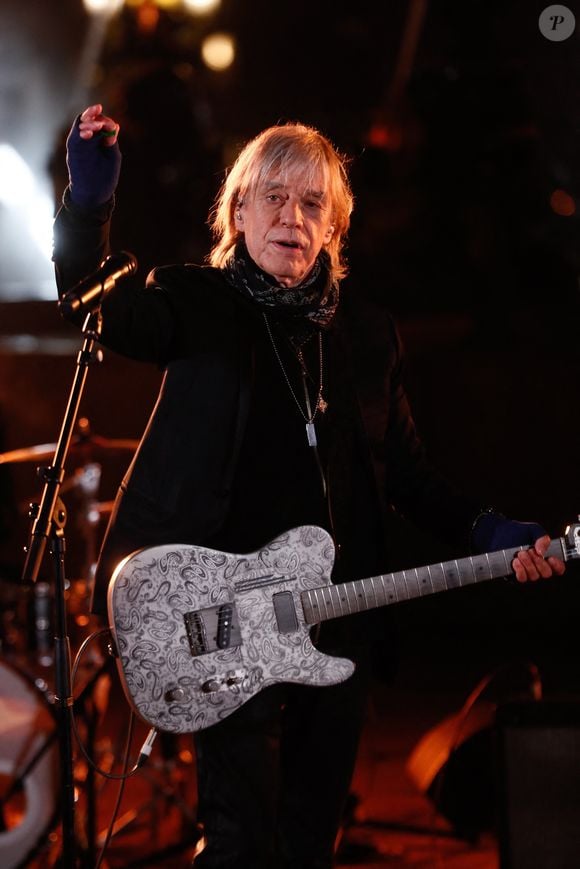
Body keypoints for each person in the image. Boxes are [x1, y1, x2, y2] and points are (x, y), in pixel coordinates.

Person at [53, 104, 565, 869]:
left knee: (308, 842)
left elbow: (409, 476)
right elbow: (92, 298)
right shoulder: (195, 302)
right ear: (239, 212)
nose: (292, 217)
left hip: (337, 621)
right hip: (225, 619)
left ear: (334, 228)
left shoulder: (367, 334)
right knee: (240, 842)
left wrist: (493, 531)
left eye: (312, 203)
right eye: (274, 197)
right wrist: (90, 202)